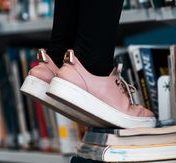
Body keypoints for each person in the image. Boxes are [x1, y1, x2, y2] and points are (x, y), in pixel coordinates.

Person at [20, 0, 156, 128]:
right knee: (90, 57)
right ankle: (91, 67)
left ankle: (57, 61)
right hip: (90, 66)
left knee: (63, 50)